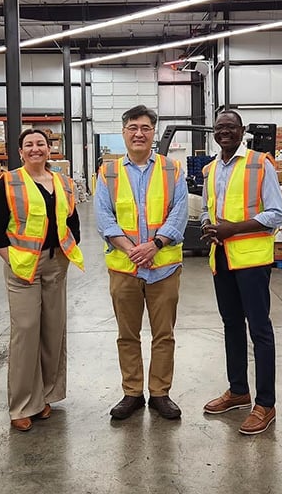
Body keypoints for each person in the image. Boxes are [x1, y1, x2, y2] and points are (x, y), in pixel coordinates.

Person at [0, 128, 84, 432]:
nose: (35, 148)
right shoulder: (10, 182)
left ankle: (45, 396)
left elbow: (72, 222)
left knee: (53, 330)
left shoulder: (63, 183)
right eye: (29, 144)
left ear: (49, 149)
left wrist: (68, 251)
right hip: (23, 266)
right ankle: (22, 405)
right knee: (26, 331)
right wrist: (13, 259)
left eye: (41, 143)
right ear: (21, 151)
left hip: (57, 263)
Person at [95, 105, 188, 421]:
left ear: (153, 133)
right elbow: (103, 217)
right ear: (124, 132)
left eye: (145, 127)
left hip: (164, 268)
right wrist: (132, 249)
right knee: (127, 334)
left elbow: (179, 212)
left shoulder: (172, 169)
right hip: (124, 268)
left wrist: (155, 244)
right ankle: (132, 393)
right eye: (133, 127)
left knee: (164, 334)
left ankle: (160, 393)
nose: (138, 133)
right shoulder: (108, 172)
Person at [200, 110, 282, 435]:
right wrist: (210, 226)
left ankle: (266, 403)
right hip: (221, 258)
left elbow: (276, 214)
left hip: (251, 261)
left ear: (242, 131)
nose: (225, 132)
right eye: (220, 127)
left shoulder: (259, 163)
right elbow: (212, 209)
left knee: (259, 330)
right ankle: (238, 390)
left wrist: (232, 229)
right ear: (214, 131)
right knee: (231, 325)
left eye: (231, 128)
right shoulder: (210, 169)